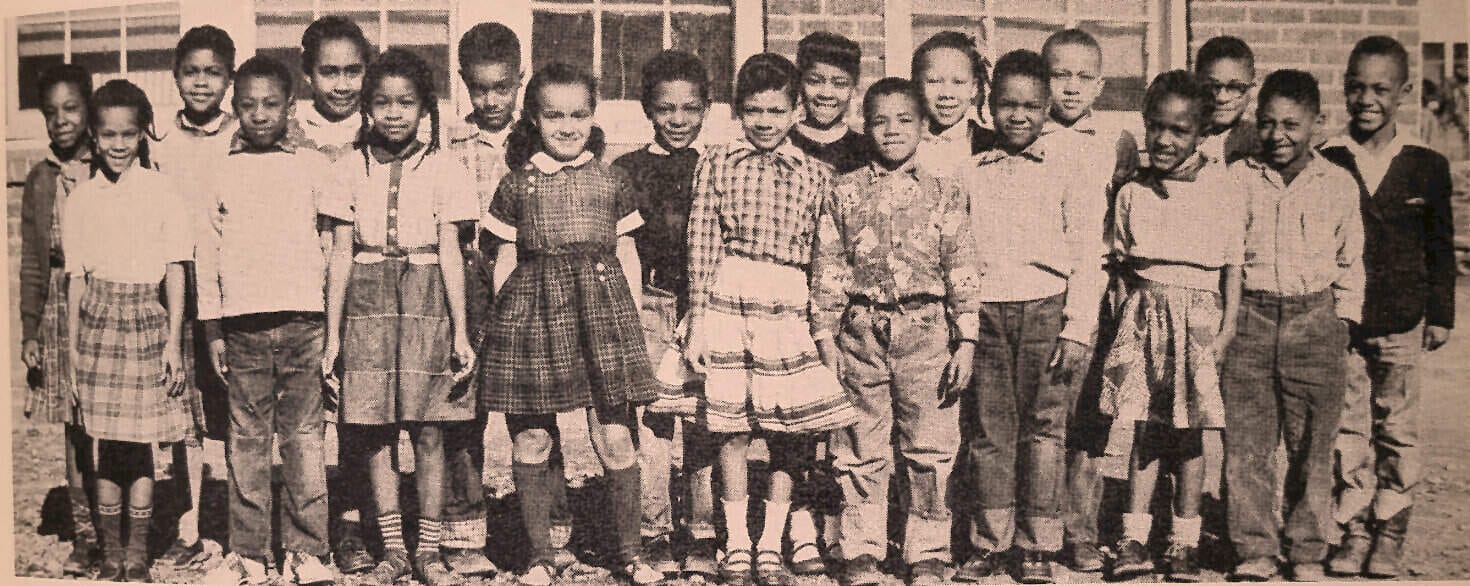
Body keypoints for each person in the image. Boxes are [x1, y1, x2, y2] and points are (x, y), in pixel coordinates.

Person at [477, 62, 663, 586]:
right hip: (534, 317)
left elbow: (627, 254)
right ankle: (541, 554)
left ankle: (630, 553)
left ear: (593, 116)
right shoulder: (518, 185)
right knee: (533, 436)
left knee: (615, 436)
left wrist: (631, 320)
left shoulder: (612, 181)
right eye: (554, 116)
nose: (567, 126)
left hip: (602, 316)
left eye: (578, 115)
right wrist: (504, 327)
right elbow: (505, 261)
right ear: (533, 119)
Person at [683, 52, 859, 586]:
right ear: (738, 110)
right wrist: (698, 321)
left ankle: (771, 544)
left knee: (791, 432)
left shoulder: (817, 174)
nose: (765, 121)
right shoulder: (716, 161)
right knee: (732, 428)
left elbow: (825, 260)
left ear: (796, 111)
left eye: (776, 111)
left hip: (789, 305)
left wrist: (822, 329)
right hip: (730, 298)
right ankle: (736, 540)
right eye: (754, 111)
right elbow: (702, 243)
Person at [812, 76, 982, 586]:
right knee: (859, 441)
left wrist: (966, 340)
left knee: (928, 443)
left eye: (904, 120)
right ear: (864, 126)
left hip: (927, 331)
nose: (892, 130)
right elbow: (828, 266)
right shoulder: (842, 191)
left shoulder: (945, 192)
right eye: (880, 121)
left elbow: (962, 268)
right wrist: (825, 336)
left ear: (924, 126)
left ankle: (927, 549)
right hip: (861, 331)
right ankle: (861, 547)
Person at [319, 48, 479, 586]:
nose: (393, 113)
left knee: (430, 429)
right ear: (366, 107)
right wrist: (331, 339)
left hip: (427, 300)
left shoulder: (447, 168)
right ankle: (393, 549)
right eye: (382, 102)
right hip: (367, 305)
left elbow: (451, 253)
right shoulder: (347, 168)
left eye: (405, 102)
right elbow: (340, 255)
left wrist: (461, 332)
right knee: (376, 430)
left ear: (424, 108)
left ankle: (428, 550)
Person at [953, 49, 1109, 585]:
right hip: (989, 312)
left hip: (1048, 310)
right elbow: (960, 250)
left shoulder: (1070, 169)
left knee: (1045, 430)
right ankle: (990, 541)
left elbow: (1087, 254)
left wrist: (1078, 326)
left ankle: (1039, 543)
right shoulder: (971, 170)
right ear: (988, 107)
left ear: (1046, 109)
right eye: (1007, 105)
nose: (1018, 116)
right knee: (990, 430)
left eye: (1030, 106)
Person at [193, 55, 337, 586]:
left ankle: (307, 551)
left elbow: (331, 245)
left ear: (290, 106)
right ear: (234, 106)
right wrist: (212, 329)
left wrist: (329, 324)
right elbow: (206, 254)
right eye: (248, 104)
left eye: (270, 104)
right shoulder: (219, 170)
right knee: (247, 441)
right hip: (242, 329)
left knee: (304, 438)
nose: (259, 114)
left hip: (303, 323)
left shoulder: (312, 165)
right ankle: (249, 554)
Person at [1099, 71, 1245, 584]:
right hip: (1144, 318)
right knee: (1144, 429)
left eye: (1179, 131)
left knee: (1190, 436)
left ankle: (1185, 541)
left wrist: (1226, 331)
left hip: (1198, 321)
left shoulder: (1222, 189)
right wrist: (1126, 322)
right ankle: (1134, 537)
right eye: (1155, 127)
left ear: (1201, 133)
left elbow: (1233, 268)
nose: (1163, 140)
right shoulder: (1132, 193)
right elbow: (1121, 265)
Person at [1221, 69, 1365, 582]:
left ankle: (1307, 549)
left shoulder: (1338, 184)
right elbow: (1227, 255)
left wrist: (1342, 323)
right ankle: (1254, 547)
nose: (1277, 135)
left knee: (1312, 446)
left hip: (1314, 320)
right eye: (1267, 123)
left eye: (1290, 124)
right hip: (1251, 318)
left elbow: (1350, 261)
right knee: (1248, 444)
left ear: (1317, 125)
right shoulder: (1238, 178)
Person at [1321, 35, 1457, 580]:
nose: (1367, 100)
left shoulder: (1427, 166)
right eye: (1357, 88)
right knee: (1348, 428)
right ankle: (1354, 528)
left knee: (1397, 429)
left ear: (1404, 92)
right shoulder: (1328, 160)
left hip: (1402, 320)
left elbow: (1440, 247)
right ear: (1344, 89)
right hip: (1345, 322)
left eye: (1381, 89)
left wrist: (1440, 314)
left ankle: (1391, 530)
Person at [64, 79, 195, 582]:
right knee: (104, 445)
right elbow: (76, 280)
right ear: (94, 138)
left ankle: (137, 552)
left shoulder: (162, 191)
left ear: (142, 134)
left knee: (140, 445)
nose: (118, 145)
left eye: (128, 134)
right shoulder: (81, 198)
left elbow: (176, 271)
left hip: (145, 322)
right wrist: (73, 352)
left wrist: (173, 344)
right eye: (108, 135)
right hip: (97, 325)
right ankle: (111, 552)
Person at [612, 49, 721, 580]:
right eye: (666, 108)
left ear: (707, 108)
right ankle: (653, 530)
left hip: (707, 304)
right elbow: (621, 247)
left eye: (690, 108)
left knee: (705, 418)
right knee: (654, 421)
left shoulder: (718, 164)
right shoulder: (628, 169)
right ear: (647, 109)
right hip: (650, 301)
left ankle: (703, 530)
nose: (678, 119)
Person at [1035, 29, 1140, 574]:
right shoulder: (1027, 134)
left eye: (1083, 77)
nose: (1071, 87)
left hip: (1097, 289)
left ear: (1100, 85)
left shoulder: (1116, 141)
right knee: (1042, 413)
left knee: (1090, 417)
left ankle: (1081, 529)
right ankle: (1037, 526)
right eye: (1059, 75)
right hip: (1039, 291)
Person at [439, 22, 526, 578]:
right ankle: (464, 528)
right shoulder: (448, 141)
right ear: (463, 83)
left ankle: (542, 528)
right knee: (463, 405)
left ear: (521, 79)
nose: (492, 100)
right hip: (468, 274)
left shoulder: (538, 135)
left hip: (527, 277)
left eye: (503, 87)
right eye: (480, 88)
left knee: (530, 404)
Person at [291, 16, 377, 574]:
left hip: (362, 286)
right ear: (308, 74)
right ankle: (304, 525)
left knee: (356, 413)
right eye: (329, 72)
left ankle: (353, 522)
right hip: (300, 282)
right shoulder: (287, 130)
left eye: (353, 71)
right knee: (307, 414)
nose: (342, 84)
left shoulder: (381, 126)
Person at [150, 25, 238, 569]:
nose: (201, 82)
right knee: (184, 412)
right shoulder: (159, 144)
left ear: (230, 78)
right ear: (175, 77)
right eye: (191, 72)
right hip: (175, 293)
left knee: (228, 407)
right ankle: (190, 525)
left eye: (213, 73)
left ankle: (231, 522)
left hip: (230, 290)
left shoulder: (243, 134)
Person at [19, 63, 98, 578]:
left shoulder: (110, 161)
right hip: (59, 311)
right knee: (75, 428)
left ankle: (121, 527)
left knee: (113, 423)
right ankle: (86, 535)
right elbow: (32, 262)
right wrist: (29, 331)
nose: (61, 120)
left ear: (88, 108)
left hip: (108, 302)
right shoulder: (40, 178)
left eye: (71, 108)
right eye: (51, 112)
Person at [911, 31, 997, 178]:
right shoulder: (903, 141)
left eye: (958, 82)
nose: (947, 93)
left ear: (974, 88)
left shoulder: (992, 144)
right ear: (917, 85)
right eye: (934, 81)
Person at [791, 31, 873, 174]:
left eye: (839, 84)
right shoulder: (784, 143)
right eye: (814, 81)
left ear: (854, 89)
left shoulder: (867, 150)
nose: (826, 94)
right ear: (799, 84)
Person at [1194, 36, 1262, 166]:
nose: (1222, 98)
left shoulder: (1261, 144)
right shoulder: (1182, 138)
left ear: (1252, 88)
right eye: (1212, 86)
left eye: (1235, 87)